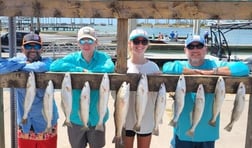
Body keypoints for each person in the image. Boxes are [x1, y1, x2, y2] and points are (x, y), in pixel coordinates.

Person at [162, 35, 249, 148]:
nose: (195, 49)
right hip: (183, 132)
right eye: (191, 46)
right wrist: (195, 72)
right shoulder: (180, 65)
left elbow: (243, 68)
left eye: (199, 46)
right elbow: (166, 67)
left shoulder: (215, 65)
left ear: (205, 49)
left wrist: (213, 72)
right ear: (185, 50)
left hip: (207, 132)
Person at [49, 26, 115, 148]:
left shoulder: (103, 57)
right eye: (82, 41)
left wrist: (89, 73)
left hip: (97, 118)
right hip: (75, 118)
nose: (86, 44)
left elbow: (109, 67)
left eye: (90, 41)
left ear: (96, 42)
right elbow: (54, 65)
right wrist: (79, 70)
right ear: (78, 43)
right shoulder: (72, 58)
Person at [0, 33, 59, 148]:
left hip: (46, 122)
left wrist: (17, 67)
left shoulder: (47, 61)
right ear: (22, 49)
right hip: (25, 123)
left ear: (41, 49)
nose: (32, 49)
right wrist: (22, 63)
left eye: (36, 47)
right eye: (28, 47)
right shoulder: (18, 60)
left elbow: (40, 67)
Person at [123, 28, 161, 148]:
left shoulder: (153, 67)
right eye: (136, 41)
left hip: (147, 116)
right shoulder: (123, 65)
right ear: (130, 43)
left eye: (143, 42)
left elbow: (158, 96)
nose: (140, 45)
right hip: (126, 116)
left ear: (147, 45)